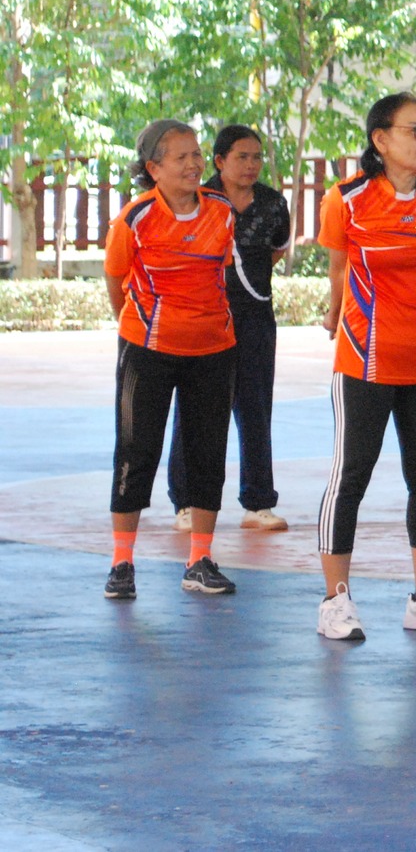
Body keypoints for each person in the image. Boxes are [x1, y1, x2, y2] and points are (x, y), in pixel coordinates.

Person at [314, 93, 416, 640]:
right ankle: (335, 601)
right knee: (350, 477)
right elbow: (340, 271)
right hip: (365, 361)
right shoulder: (346, 200)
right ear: (380, 140)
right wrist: (335, 314)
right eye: (414, 130)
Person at [102, 119, 240, 602]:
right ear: (153, 168)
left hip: (214, 350)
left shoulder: (222, 211)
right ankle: (122, 563)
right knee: (136, 451)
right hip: (148, 351)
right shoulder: (135, 218)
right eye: (181, 157)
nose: (193, 164)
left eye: (196, 154)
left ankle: (200, 560)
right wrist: (137, 328)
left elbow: (220, 272)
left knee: (208, 454)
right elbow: (116, 278)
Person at [168, 124, 291, 533]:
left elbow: (276, 250)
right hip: (204, 318)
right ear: (220, 161)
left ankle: (258, 503)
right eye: (242, 157)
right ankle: (186, 502)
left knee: (256, 408)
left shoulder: (273, 204)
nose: (251, 165)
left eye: (256, 157)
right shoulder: (197, 199)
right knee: (195, 410)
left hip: (255, 319)